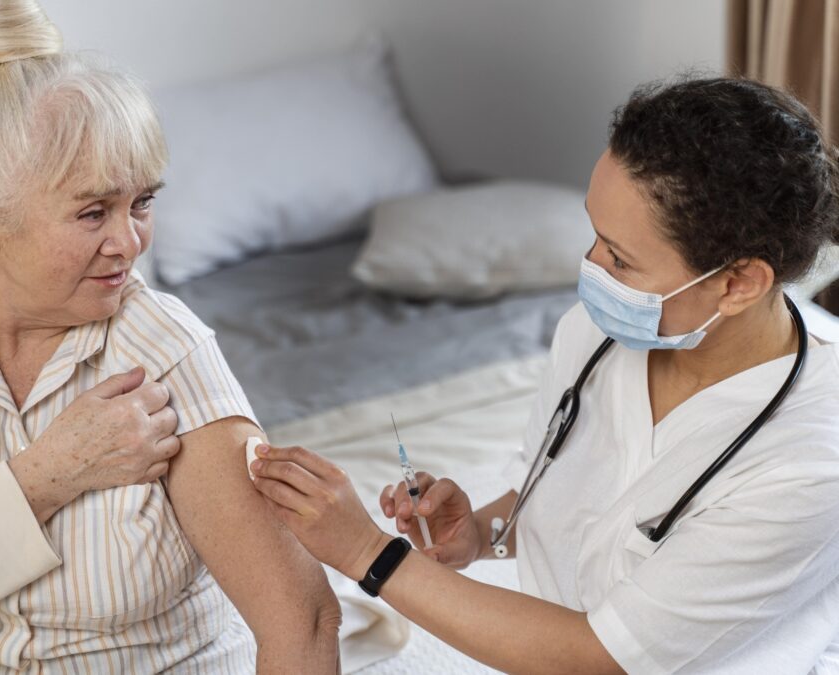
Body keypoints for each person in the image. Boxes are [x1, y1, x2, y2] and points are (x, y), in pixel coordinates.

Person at [251, 77, 839, 673]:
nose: (590, 267)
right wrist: (479, 531)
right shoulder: (593, 337)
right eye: (595, 235)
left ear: (738, 284)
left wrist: (366, 551)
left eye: (620, 258)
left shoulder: (811, 468)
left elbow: (595, 658)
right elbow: (570, 499)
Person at [0, 1, 340, 672]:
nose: (129, 242)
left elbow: (302, 619)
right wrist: (48, 474)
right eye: (93, 212)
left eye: (143, 203)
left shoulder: (165, 348)